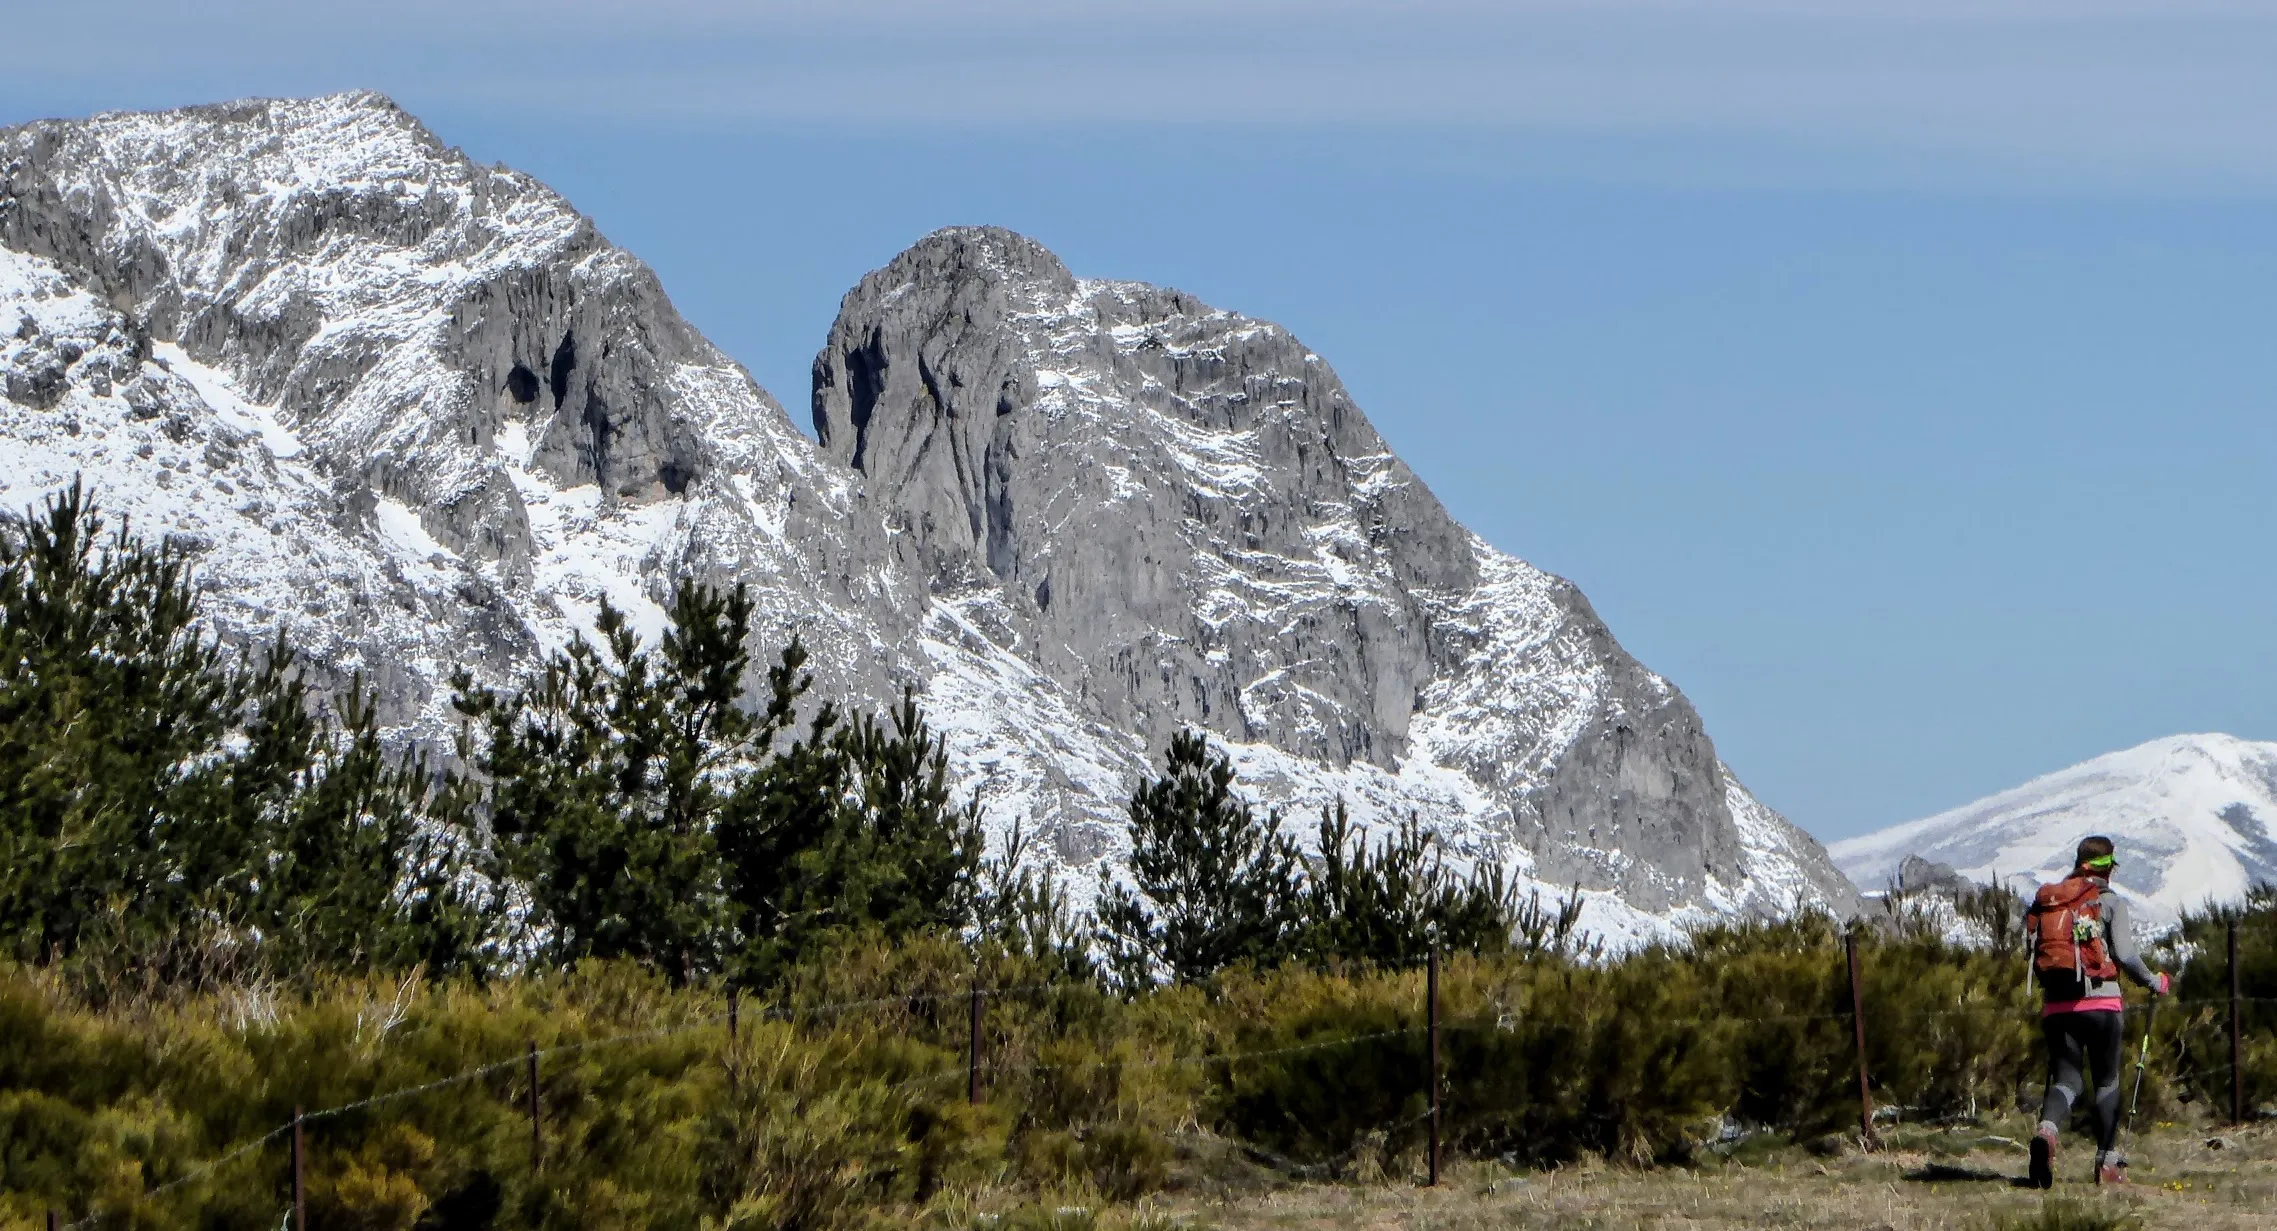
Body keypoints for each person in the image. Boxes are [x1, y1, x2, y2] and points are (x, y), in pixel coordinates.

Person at [2025, 835, 2172, 1188]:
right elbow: (2126, 955)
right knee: (2106, 1080)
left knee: (2067, 1080)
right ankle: (2107, 1164)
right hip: (2102, 1004)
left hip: (2057, 1005)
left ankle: (2046, 1132)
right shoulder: (2108, 901)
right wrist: (2154, 981)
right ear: (2109, 868)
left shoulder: (2049, 903)